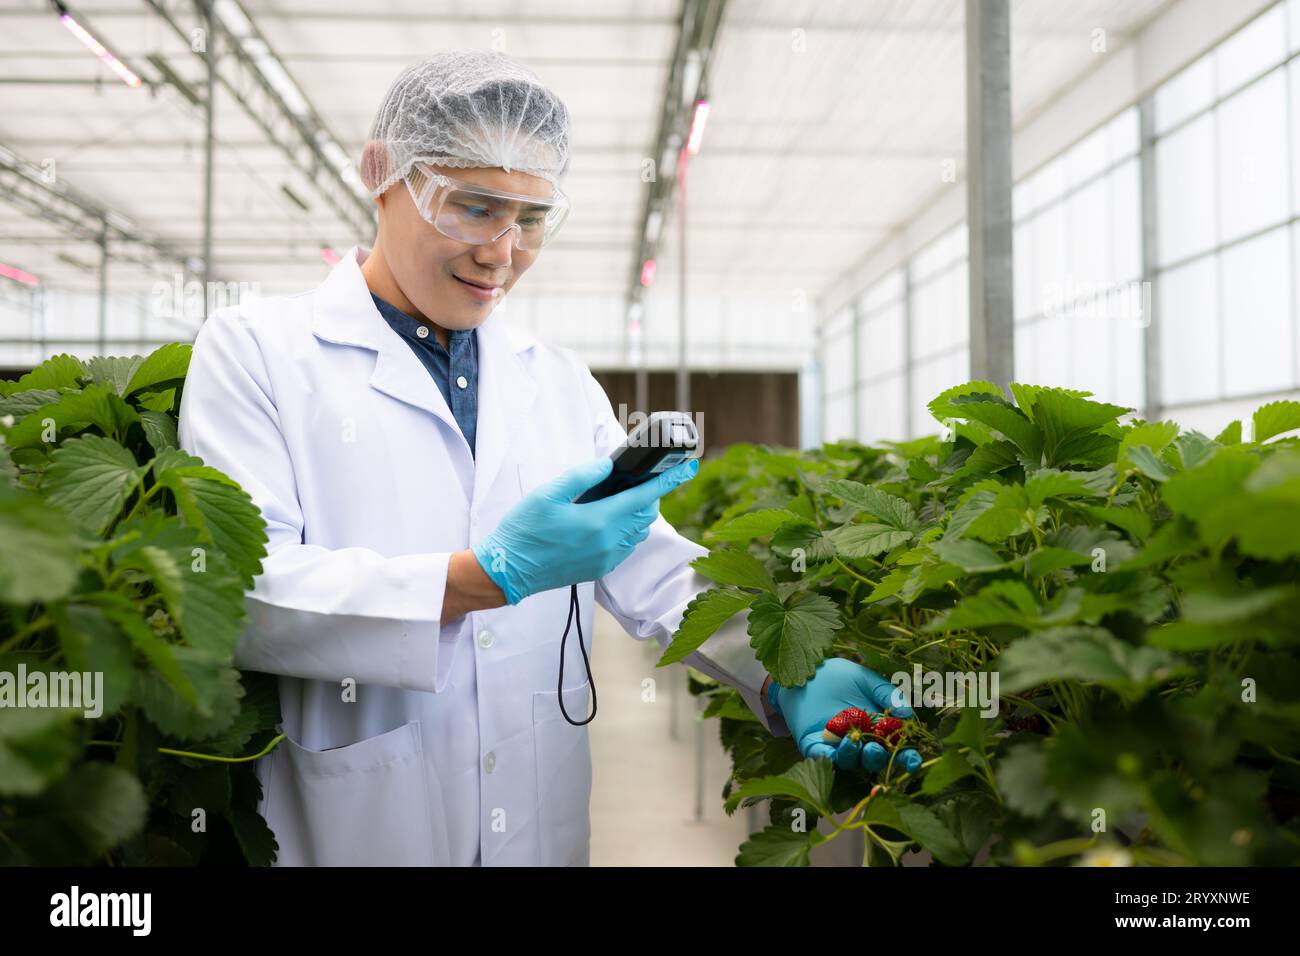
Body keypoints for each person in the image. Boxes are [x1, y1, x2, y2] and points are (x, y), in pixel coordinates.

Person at [177, 49, 919, 867]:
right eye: (472, 207)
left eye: (531, 219)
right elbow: (238, 595)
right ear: (380, 173)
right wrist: (483, 579)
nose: (502, 251)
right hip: (356, 822)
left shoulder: (557, 380)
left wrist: (783, 668)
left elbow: (650, 564)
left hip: (537, 825)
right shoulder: (257, 354)